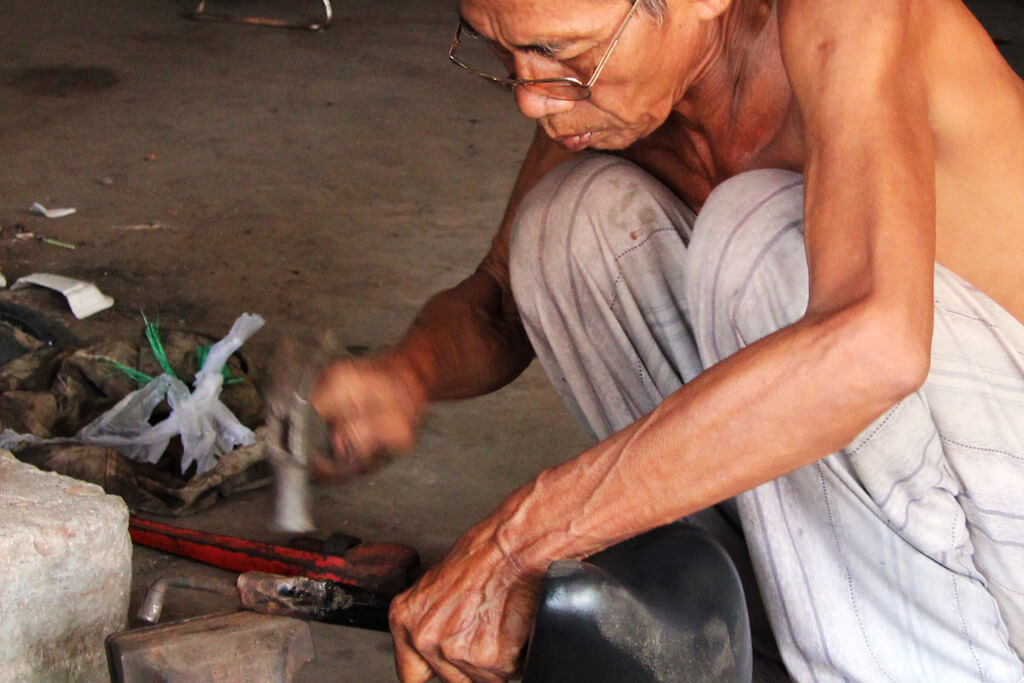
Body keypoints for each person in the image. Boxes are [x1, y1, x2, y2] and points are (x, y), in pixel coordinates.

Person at [309, 0, 1024, 679]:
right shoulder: (622, 91)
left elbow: (874, 344)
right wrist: (406, 375)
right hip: (926, 511)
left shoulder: (849, 17)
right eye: (502, 49)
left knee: (759, 241)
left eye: (561, 52)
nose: (531, 96)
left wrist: (523, 538)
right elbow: (498, 303)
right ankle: (748, 648)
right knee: (572, 223)